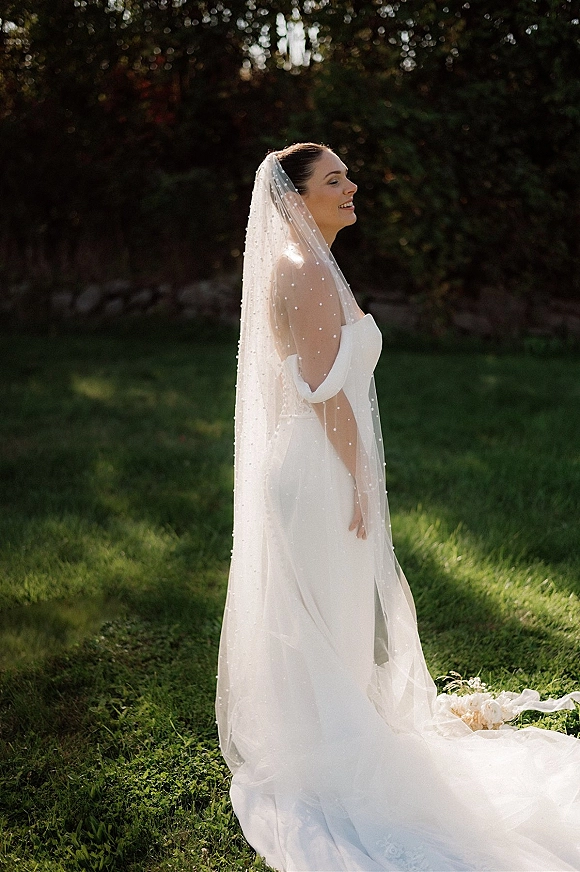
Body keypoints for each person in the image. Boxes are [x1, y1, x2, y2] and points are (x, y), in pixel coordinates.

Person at [216, 143, 580, 872]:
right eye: (334, 179)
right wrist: (356, 477)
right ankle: (332, 758)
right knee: (328, 618)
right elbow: (320, 392)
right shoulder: (306, 271)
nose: (352, 187)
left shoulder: (309, 265)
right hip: (321, 472)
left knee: (330, 619)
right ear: (297, 197)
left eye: (347, 175)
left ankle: (326, 743)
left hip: (316, 467)